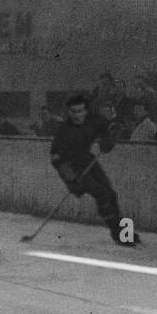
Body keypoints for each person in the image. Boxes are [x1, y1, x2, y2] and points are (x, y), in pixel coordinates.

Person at [49, 93, 139, 246]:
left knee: (111, 194)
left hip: (88, 160)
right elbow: (56, 158)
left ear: (86, 110)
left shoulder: (94, 119)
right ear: (69, 112)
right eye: (73, 112)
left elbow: (109, 129)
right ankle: (119, 235)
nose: (77, 115)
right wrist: (70, 178)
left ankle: (125, 232)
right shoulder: (64, 130)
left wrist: (109, 139)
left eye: (80, 111)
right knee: (102, 195)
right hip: (72, 167)